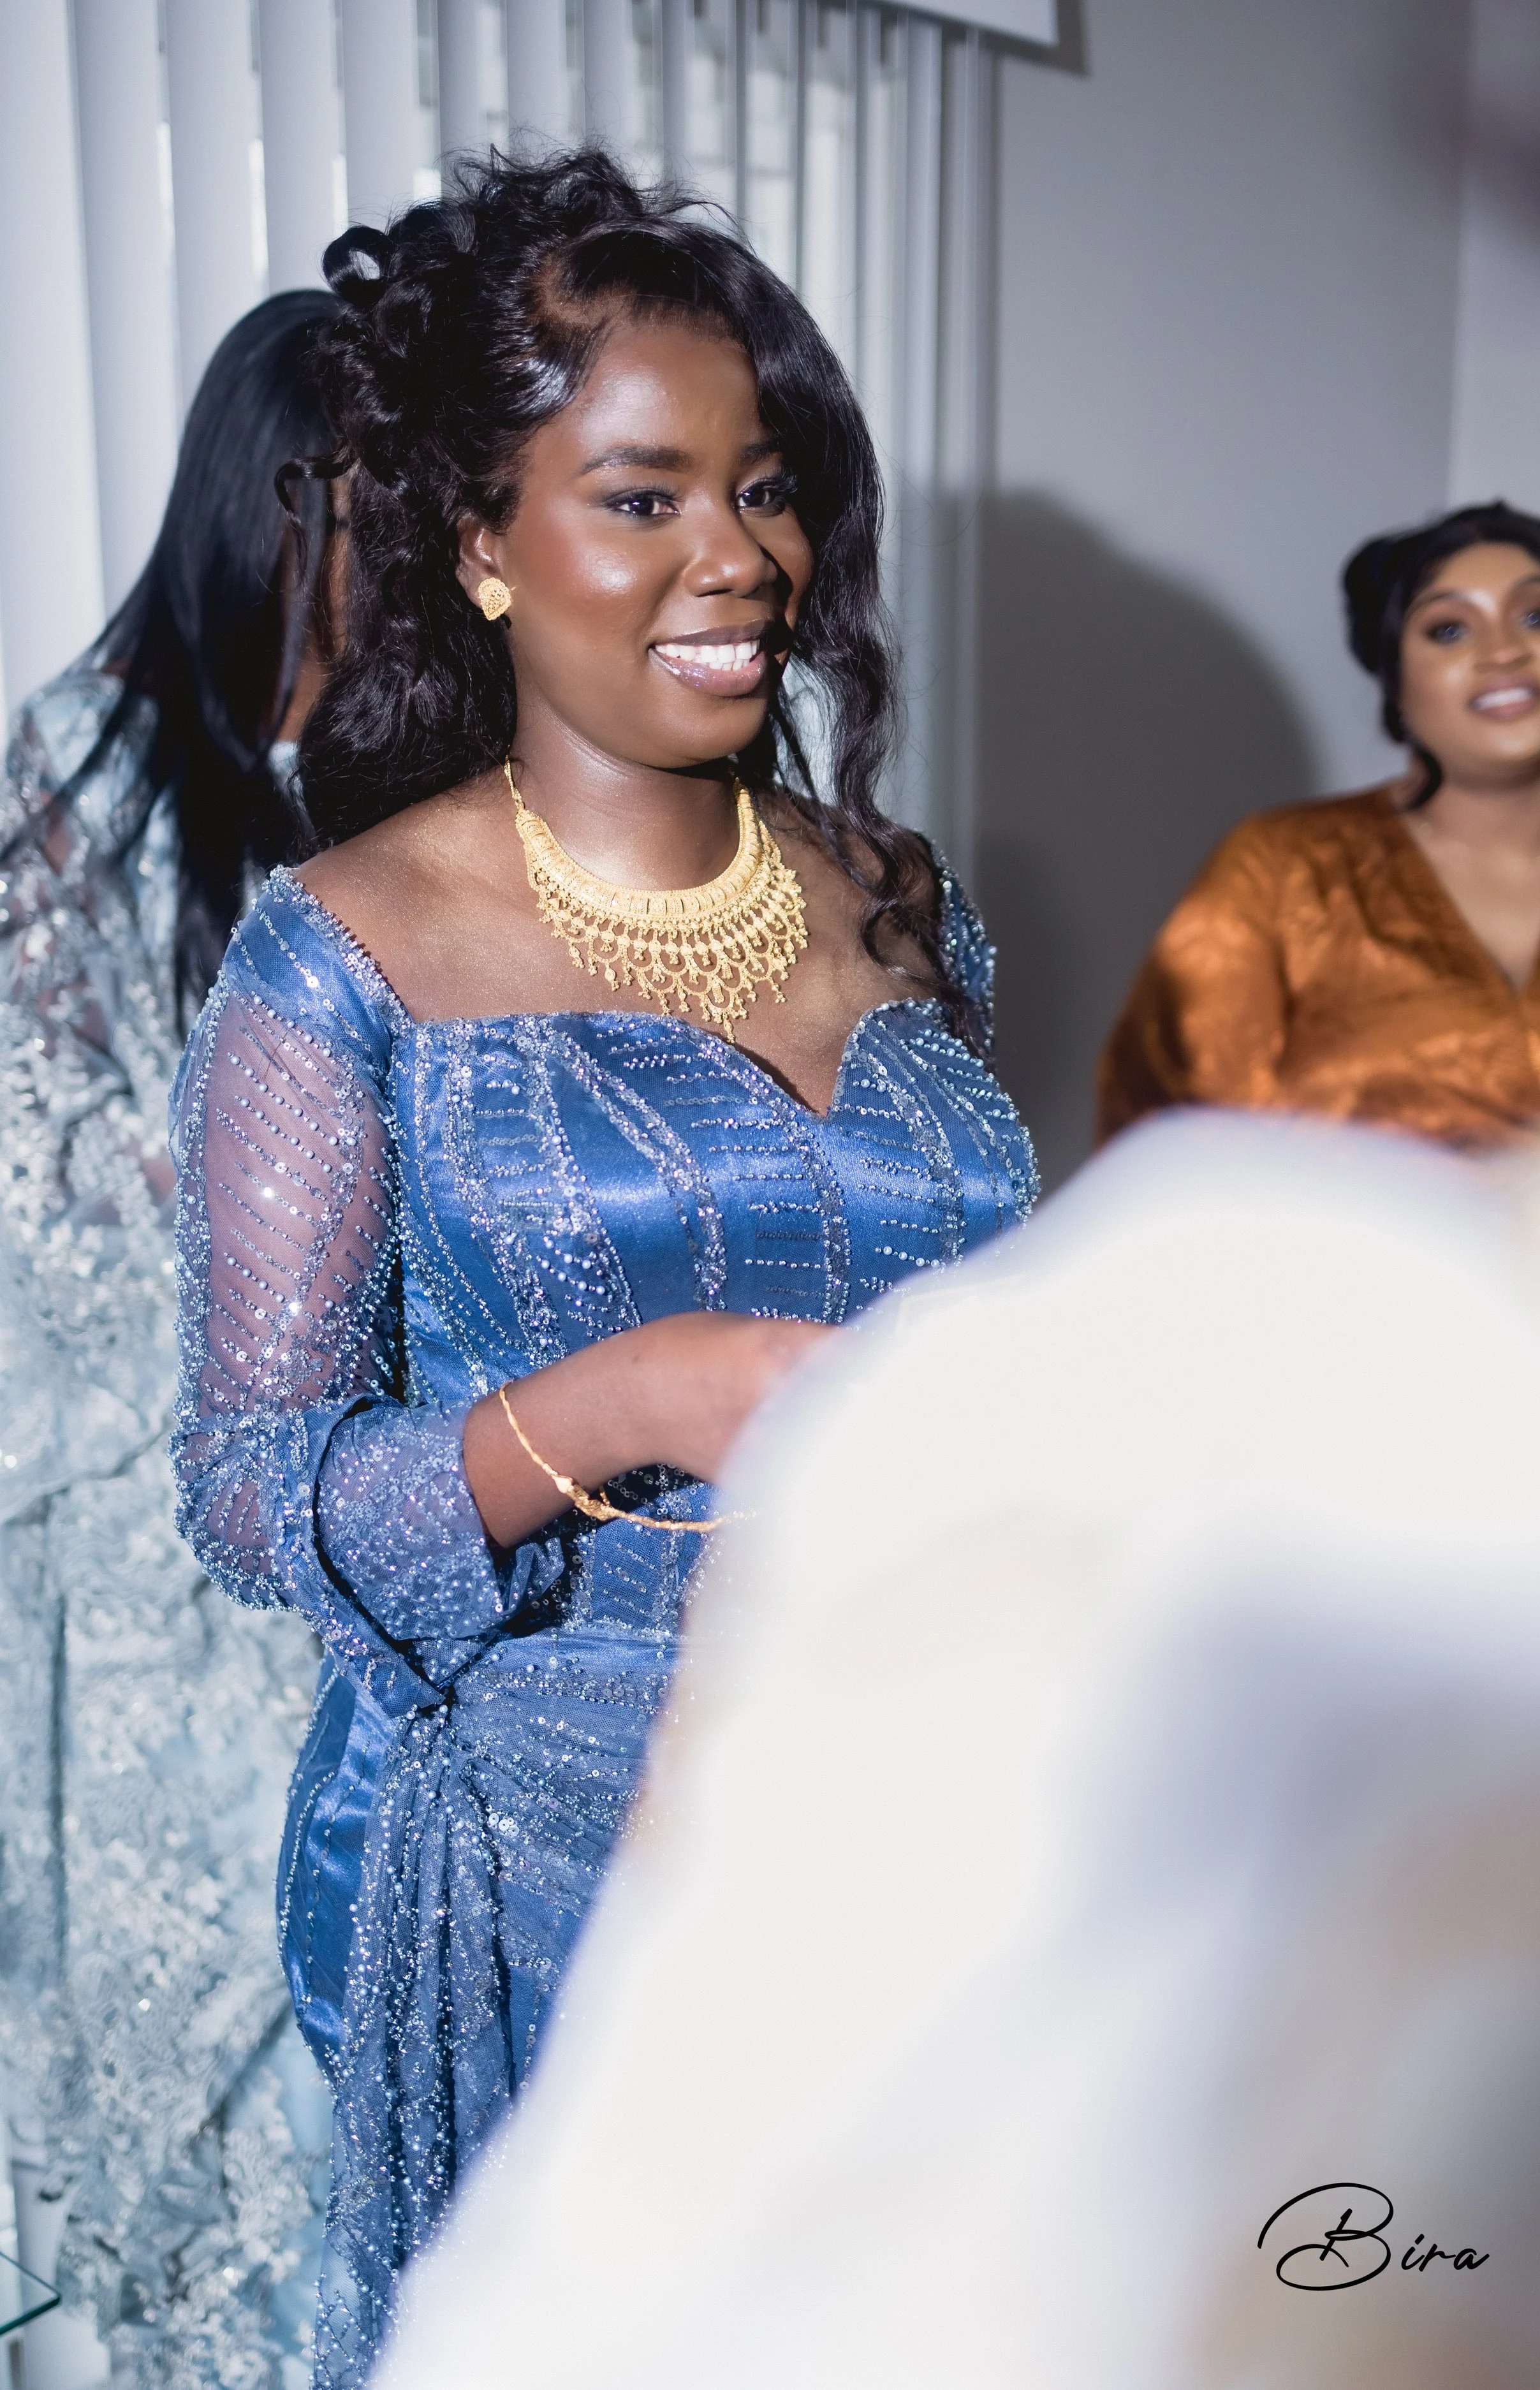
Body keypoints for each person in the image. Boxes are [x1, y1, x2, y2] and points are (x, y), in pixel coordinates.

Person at [167, 147, 1036, 2387]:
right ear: (477, 544)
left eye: (758, 491)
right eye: (641, 498)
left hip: (931, 1787)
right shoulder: (350, 946)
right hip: (552, 1859)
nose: (735, 554)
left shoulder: (893, 897)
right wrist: (638, 1390)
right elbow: (256, 1496)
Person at [367, 1105, 1540, 2390]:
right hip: (573, 1810)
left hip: (823, 1704)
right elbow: (252, 1490)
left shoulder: (900, 927)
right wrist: (628, 1402)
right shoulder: (1245, 1306)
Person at [0, 291, 342, 2390]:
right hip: (133, 1582)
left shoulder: (305, 794)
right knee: (186, 2142)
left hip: (286, 1548)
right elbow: (63, 1238)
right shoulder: (78, 787)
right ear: (293, 500)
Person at [1097, 500, 1540, 1150]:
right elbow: (1167, 1138)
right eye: (1448, 629)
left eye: (1538, 616)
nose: (1503, 651)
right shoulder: (1281, 868)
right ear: (1394, 680)